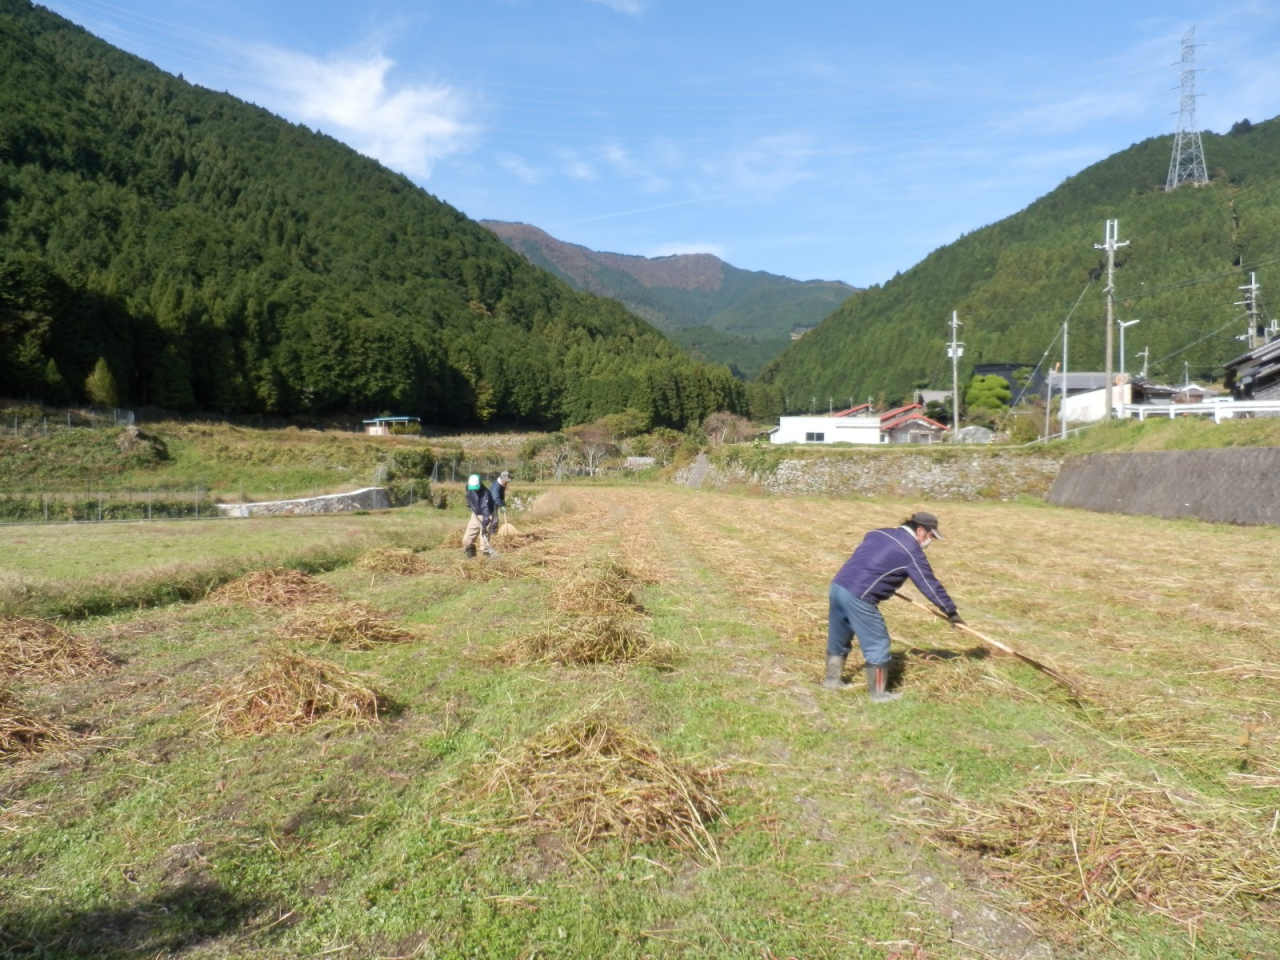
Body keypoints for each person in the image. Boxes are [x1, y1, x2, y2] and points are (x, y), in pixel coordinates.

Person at [824, 511, 963, 702]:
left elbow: (869, 556)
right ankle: (879, 695)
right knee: (878, 643)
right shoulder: (911, 551)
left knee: (839, 636)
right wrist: (950, 611)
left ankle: (831, 682)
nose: (931, 541)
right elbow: (929, 584)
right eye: (931, 536)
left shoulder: (878, 533)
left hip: (838, 586)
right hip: (860, 596)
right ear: (921, 530)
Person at [462, 473, 496, 558]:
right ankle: (471, 558)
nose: (474, 490)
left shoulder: (485, 494)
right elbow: (468, 495)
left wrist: (484, 525)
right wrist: (469, 503)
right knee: (466, 540)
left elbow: (486, 511)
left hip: (486, 517)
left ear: (480, 484)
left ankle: (486, 559)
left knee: (484, 544)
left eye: (476, 488)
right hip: (475, 515)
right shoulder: (469, 487)